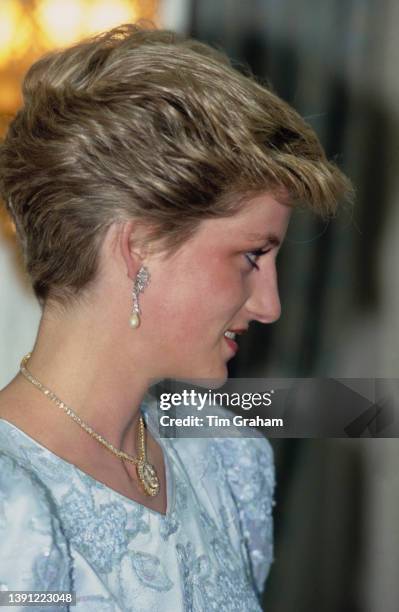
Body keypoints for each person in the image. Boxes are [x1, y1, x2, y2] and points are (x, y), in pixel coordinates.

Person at [0, 23, 352, 611]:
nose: (270, 306)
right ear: (140, 247)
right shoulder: (12, 505)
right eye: (251, 256)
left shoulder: (222, 454)